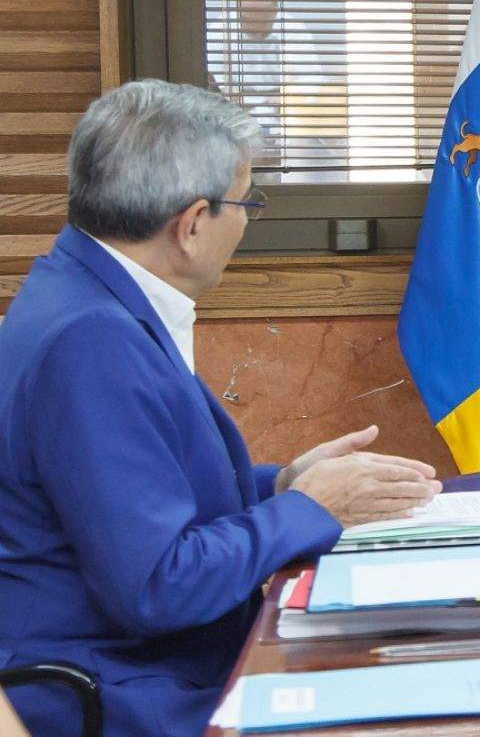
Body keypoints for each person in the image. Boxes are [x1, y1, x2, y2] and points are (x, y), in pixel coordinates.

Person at [0, 80, 441, 733]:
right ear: (193, 223)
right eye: (248, 202)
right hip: (122, 688)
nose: (248, 220)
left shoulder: (81, 293)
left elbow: (142, 496)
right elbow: (157, 586)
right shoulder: (89, 340)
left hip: (146, 661)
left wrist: (282, 483)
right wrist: (312, 509)